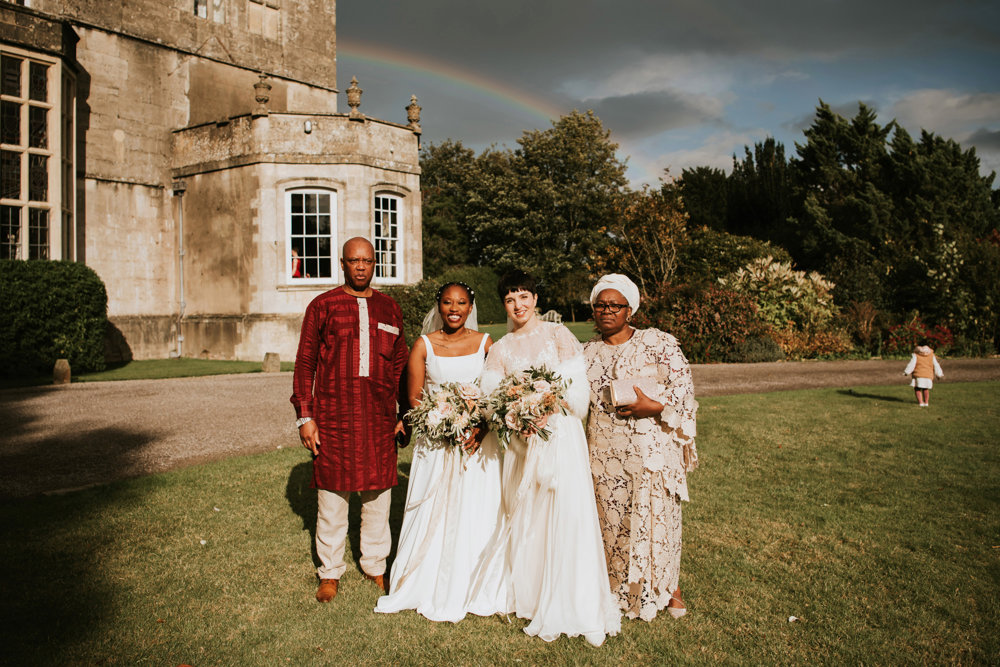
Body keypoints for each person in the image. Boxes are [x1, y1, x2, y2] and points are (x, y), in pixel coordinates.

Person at [478, 270, 621, 647]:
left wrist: (547, 405)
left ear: (536, 299)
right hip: (524, 445)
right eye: (510, 299)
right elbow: (492, 399)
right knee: (531, 518)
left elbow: (578, 389)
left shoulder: (558, 335)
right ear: (504, 305)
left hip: (561, 436)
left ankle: (580, 604)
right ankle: (535, 597)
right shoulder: (501, 348)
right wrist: (516, 415)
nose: (518, 305)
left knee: (568, 514)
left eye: (524, 296)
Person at [375, 282, 507, 621]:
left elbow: (497, 395)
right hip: (434, 442)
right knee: (432, 506)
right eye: (447, 302)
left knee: (478, 508)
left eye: (461, 302)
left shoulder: (485, 343)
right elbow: (415, 399)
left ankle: (477, 581)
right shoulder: (423, 345)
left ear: (470, 306)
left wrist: (481, 427)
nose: (454, 308)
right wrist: (441, 421)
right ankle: (424, 579)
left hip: (476, 443)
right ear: (439, 306)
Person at [290, 237, 408, 603]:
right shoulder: (323, 306)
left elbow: (402, 367)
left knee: (378, 497)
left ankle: (375, 565)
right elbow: (305, 363)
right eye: (354, 261)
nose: (361, 267)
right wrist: (305, 417)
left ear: (375, 265)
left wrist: (404, 415)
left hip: (378, 419)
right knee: (332, 499)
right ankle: (330, 572)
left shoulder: (389, 309)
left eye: (367, 261)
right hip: (334, 418)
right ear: (342, 263)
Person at [582, 274, 698, 621]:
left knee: (658, 517)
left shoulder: (657, 342)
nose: (607, 311)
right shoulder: (585, 352)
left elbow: (684, 389)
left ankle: (669, 588)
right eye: (600, 305)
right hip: (603, 451)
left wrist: (657, 406)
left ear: (629, 309)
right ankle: (617, 590)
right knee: (612, 521)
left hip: (651, 450)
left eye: (614, 305)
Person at [903, 341, 944, 407]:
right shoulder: (931, 355)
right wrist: (939, 374)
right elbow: (936, 365)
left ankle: (921, 402)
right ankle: (926, 402)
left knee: (917, 388)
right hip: (928, 375)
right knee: (925, 389)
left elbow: (912, 364)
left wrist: (906, 372)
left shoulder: (916, 355)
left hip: (918, 375)